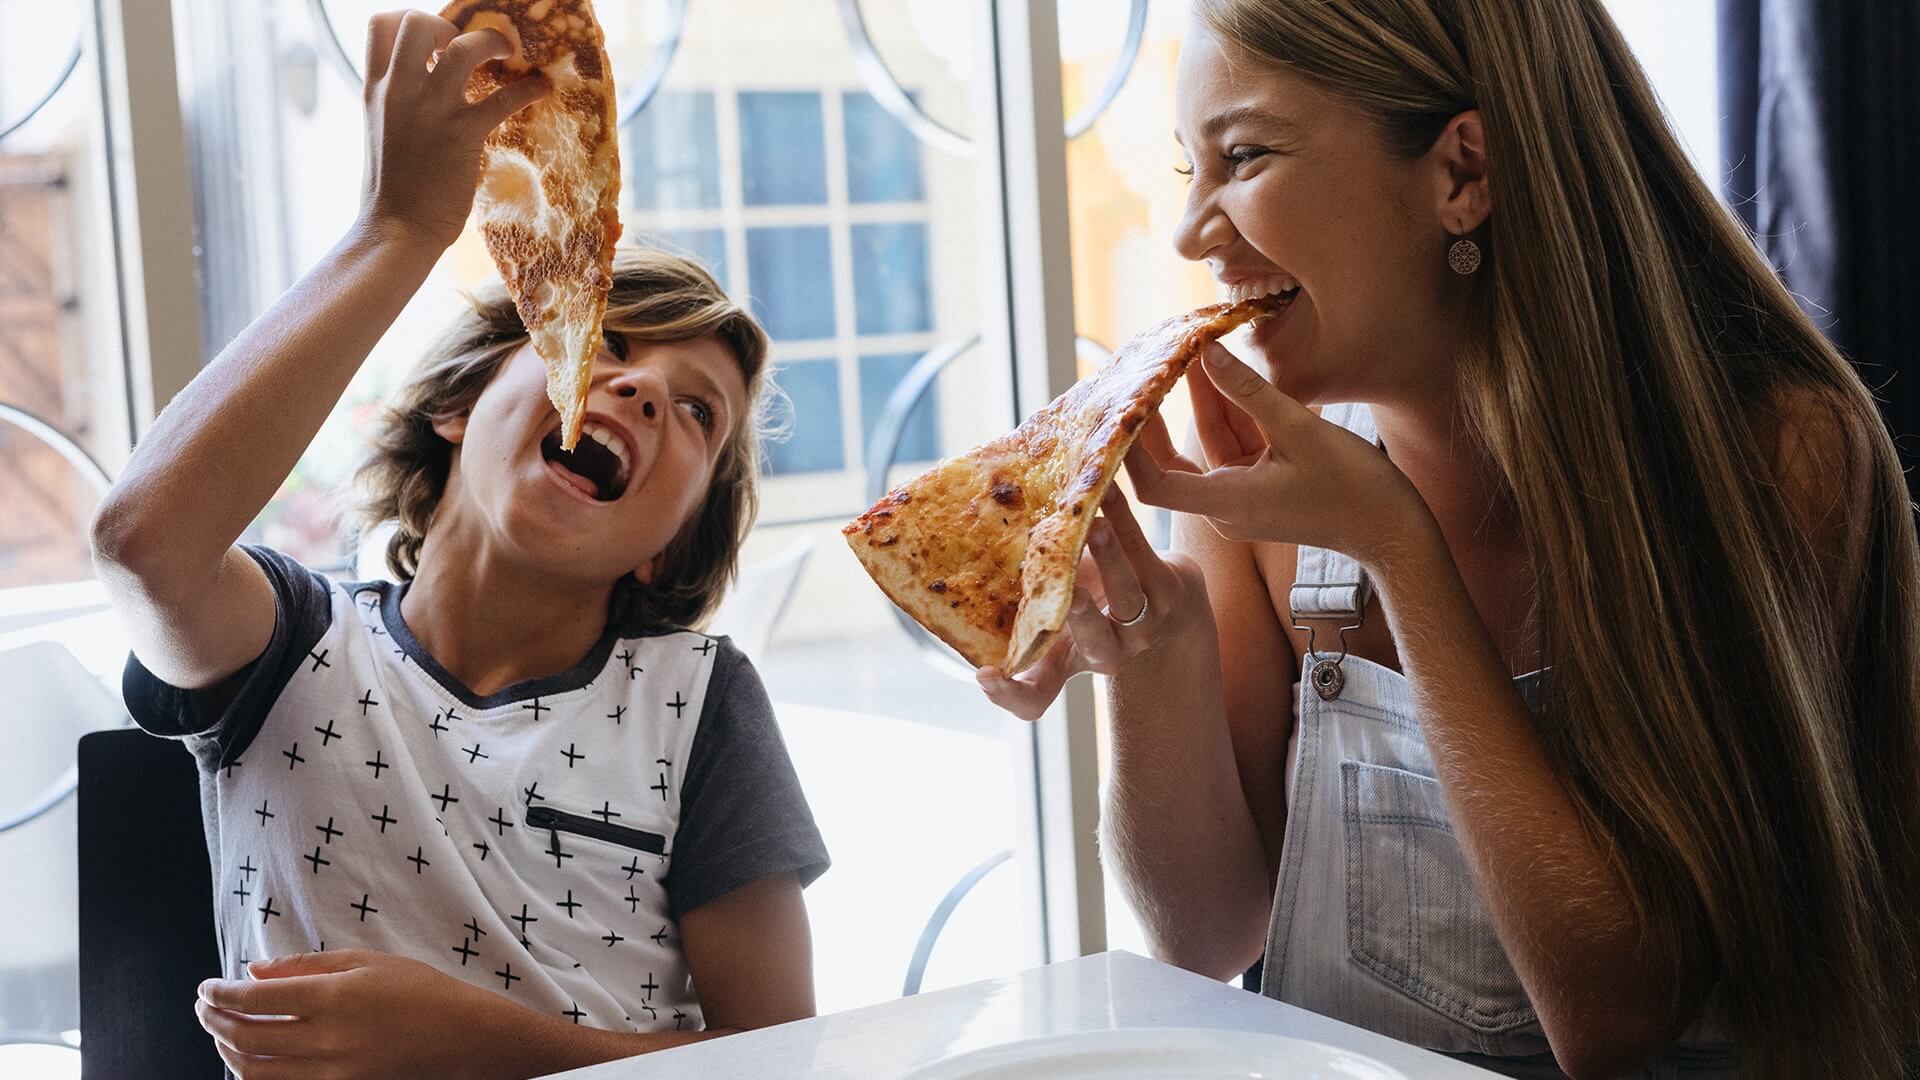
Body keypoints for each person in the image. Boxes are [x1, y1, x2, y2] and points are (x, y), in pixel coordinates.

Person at [977, 2, 1919, 1078]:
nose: (1193, 230)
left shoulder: (1780, 457)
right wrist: (1156, 658)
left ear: (1463, 171)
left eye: (1244, 157)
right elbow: (1203, 941)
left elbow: (1615, 1021)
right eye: (1190, 168)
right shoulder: (1243, 479)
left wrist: (1395, 545)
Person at [89, 11, 828, 1077]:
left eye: (697, 412)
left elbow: (787, 1060)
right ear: (457, 403)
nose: (642, 391)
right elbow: (143, 547)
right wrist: (396, 228)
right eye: (604, 343)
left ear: (669, 547)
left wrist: (476, 1046)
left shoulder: (697, 701)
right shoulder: (291, 648)